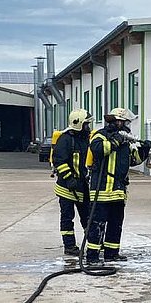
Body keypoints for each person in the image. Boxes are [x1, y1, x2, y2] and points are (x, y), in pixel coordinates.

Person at [84, 107, 151, 263]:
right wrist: (116, 141)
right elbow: (97, 149)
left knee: (116, 224)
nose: (124, 124)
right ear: (114, 121)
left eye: (126, 122)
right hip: (101, 190)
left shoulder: (126, 141)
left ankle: (111, 253)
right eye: (122, 121)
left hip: (118, 191)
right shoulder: (100, 135)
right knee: (97, 225)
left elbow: (133, 160)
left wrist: (144, 150)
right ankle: (92, 256)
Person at [53, 109, 93, 256]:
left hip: (82, 186)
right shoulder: (65, 139)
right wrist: (69, 178)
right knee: (67, 218)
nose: (89, 127)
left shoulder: (85, 138)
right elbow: (59, 161)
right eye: (87, 124)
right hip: (66, 187)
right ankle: (69, 246)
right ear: (79, 124)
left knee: (87, 216)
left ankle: (93, 244)